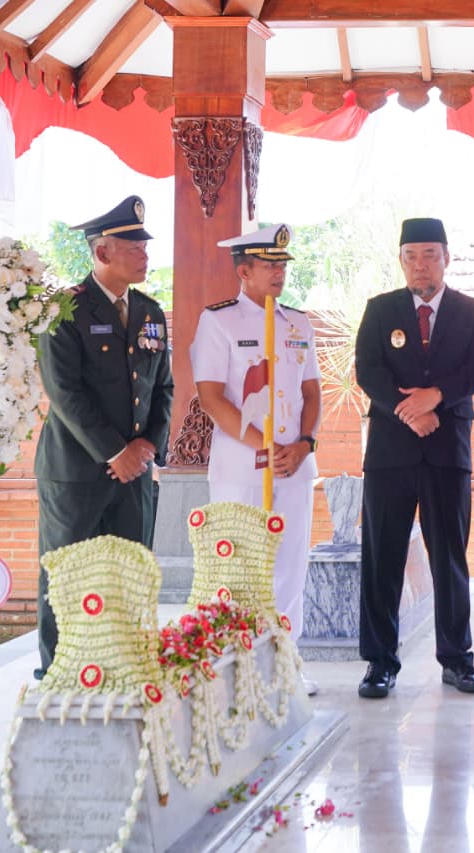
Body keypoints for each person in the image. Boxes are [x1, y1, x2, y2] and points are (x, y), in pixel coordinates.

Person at [33, 195, 174, 679]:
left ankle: (126, 667)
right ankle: (59, 674)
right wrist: (116, 451)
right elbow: (64, 392)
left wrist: (147, 447)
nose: (145, 254)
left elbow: (164, 389)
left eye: (144, 245)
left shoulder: (151, 312)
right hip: (77, 473)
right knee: (67, 575)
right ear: (102, 252)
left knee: (130, 575)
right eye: (133, 246)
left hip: (134, 475)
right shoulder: (64, 310)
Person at [355, 217, 474, 699]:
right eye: (411, 256)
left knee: (449, 558)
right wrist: (407, 411)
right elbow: (368, 371)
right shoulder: (380, 310)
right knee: (382, 558)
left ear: (447, 258)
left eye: (430, 255)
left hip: (446, 451)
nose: (420, 265)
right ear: (401, 261)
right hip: (391, 453)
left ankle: (458, 660)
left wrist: (436, 396)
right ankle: (379, 662)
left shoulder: (472, 312)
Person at [189, 223, 321, 696]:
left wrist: (304, 443)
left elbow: (310, 392)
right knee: (240, 563)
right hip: (244, 462)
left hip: (293, 462)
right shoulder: (220, 320)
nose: (278, 273)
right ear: (243, 270)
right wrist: (259, 441)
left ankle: (285, 661)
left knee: (290, 561)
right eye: (268, 265)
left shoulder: (297, 323)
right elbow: (210, 396)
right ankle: (239, 666)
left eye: (282, 265)